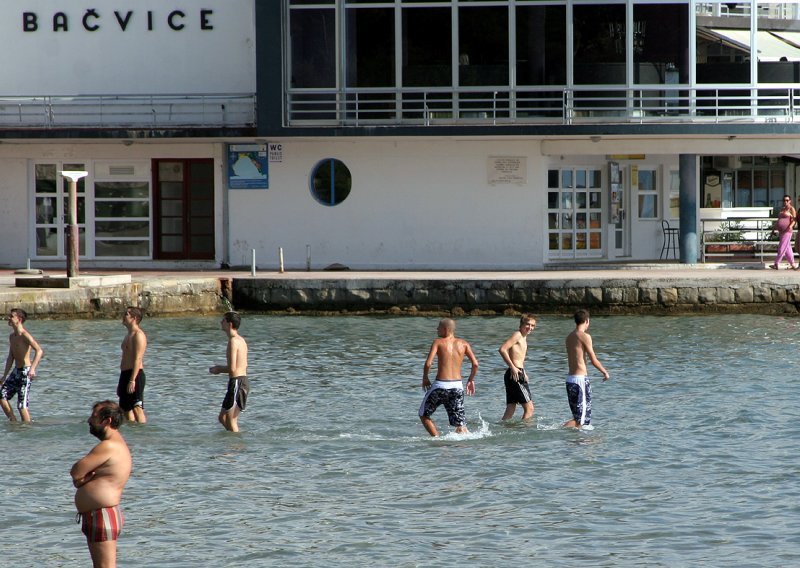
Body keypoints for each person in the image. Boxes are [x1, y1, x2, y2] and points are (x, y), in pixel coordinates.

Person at [71, 400, 132, 568]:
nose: (89, 420)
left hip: (102, 514)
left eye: (94, 416)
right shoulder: (116, 445)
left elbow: (76, 471)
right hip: (100, 514)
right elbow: (79, 477)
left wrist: (80, 480)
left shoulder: (108, 446)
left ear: (107, 421)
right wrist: (81, 481)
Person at [419, 318, 478, 437]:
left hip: (440, 386)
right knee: (460, 424)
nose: (436, 329)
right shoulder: (464, 344)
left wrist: (425, 378)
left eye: (439, 327)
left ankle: (437, 438)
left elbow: (428, 363)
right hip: (457, 387)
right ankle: (462, 449)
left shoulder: (438, 342)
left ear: (445, 329)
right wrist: (470, 380)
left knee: (423, 414)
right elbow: (475, 364)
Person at [564, 309, 610, 429]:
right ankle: (559, 431)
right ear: (587, 321)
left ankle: (577, 443)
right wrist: (604, 372)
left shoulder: (569, 337)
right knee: (582, 420)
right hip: (580, 381)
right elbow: (593, 360)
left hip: (570, 380)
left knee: (577, 417)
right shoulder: (585, 336)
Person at [0, 308, 44, 422]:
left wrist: (33, 369)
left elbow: (39, 351)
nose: (9, 318)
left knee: (21, 405)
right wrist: (4, 376)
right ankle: (13, 422)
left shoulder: (25, 335)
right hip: (16, 371)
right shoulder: (12, 337)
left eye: (11, 316)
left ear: (19, 319)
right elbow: (11, 357)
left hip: (26, 372)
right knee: (2, 395)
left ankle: (27, 429)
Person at [209, 311, 249, 432]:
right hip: (238, 382)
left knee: (231, 419)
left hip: (238, 382)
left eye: (223, 320)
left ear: (230, 324)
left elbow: (232, 368)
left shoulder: (233, 342)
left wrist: (218, 369)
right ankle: (233, 443)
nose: (221, 322)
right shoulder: (241, 340)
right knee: (222, 417)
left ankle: (236, 447)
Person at [499, 314, 536, 421]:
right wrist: (513, 367)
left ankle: (503, 430)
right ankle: (524, 432)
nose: (530, 327)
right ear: (521, 324)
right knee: (529, 409)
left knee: (511, 407)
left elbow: (518, 357)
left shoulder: (523, 337)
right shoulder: (517, 335)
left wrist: (524, 372)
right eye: (527, 324)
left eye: (532, 325)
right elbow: (502, 349)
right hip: (515, 373)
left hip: (517, 372)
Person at [116, 307, 147, 423]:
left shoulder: (138, 335)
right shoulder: (128, 334)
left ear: (134, 318)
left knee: (137, 407)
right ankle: (132, 435)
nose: (123, 316)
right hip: (125, 374)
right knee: (125, 409)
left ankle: (142, 433)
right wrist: (123, 380)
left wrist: (132, 380)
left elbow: (138, 359)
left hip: (136, 374)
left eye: (126, 314)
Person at [770, 194, 797, 270]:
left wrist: (790, 226)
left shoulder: (792, 209)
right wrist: (773, 229)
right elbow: (778, 220)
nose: (785, 202)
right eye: (784, 200)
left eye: (787, 200)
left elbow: (794, 220)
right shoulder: (782, 209)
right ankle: (793, 264)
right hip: (781, 232)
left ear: (790, 201)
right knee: (787, 248)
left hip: (787, 231)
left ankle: (776, 263)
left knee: (782, 247)